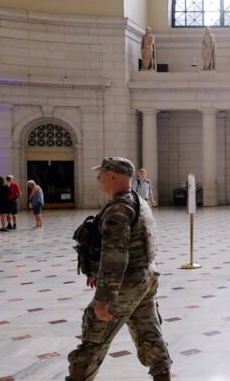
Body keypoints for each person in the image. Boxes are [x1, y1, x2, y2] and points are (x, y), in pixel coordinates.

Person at [66, 157, 172, 381]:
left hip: (127, 282)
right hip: (146, 276)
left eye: (101, 173)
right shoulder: (138, 201)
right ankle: (163, 376)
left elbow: (115, 256)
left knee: (95, 336)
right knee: (148, 331)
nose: (98, 178)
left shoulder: (119, 209)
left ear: (113, 175)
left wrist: (104, 298)